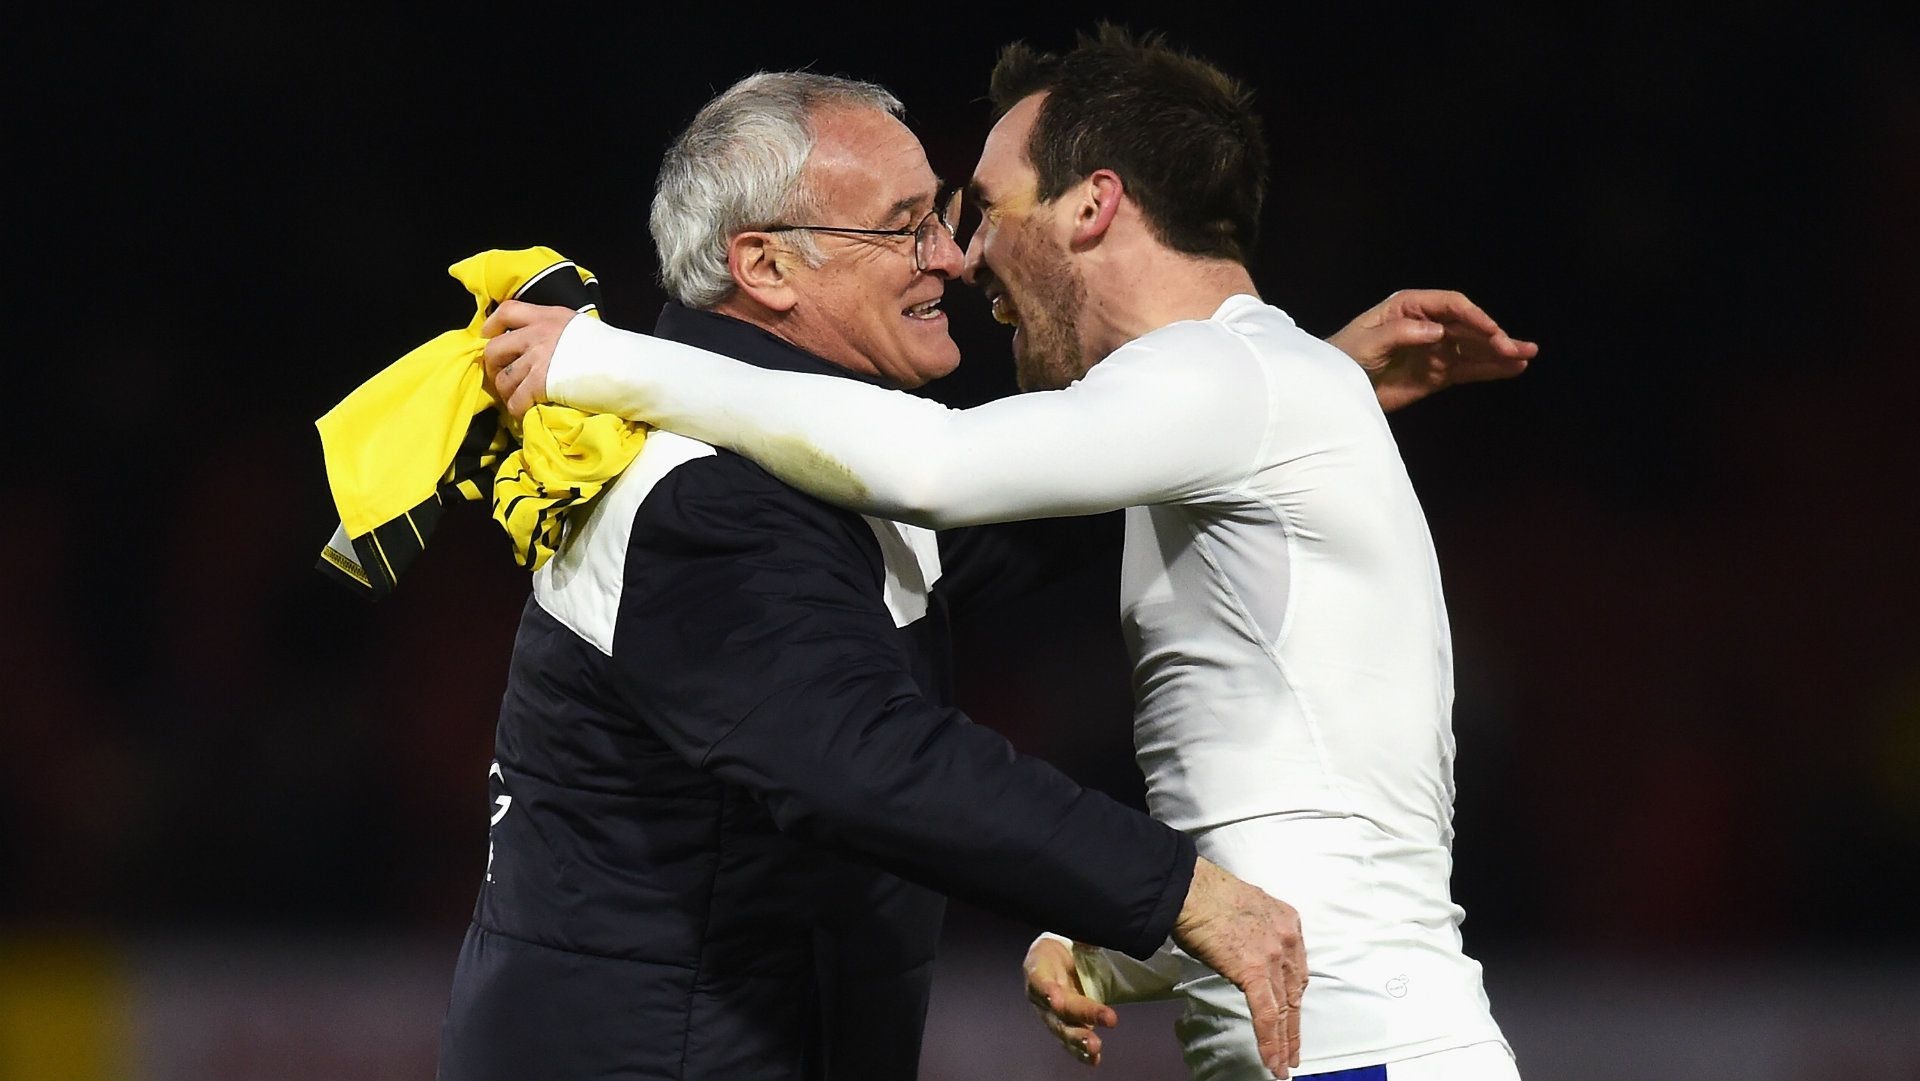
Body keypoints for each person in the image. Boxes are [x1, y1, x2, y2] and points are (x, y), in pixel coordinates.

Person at [483, 27, 1535, 1081]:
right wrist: (1161, 901)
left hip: (1361, 1050)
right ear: (763, 263)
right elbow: (867, 752)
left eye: (968, 210)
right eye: (914, 224)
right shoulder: (705, 487)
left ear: (1094, 205)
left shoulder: (1232, 383)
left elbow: (946, 475)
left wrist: (600, 358)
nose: (958, 252)